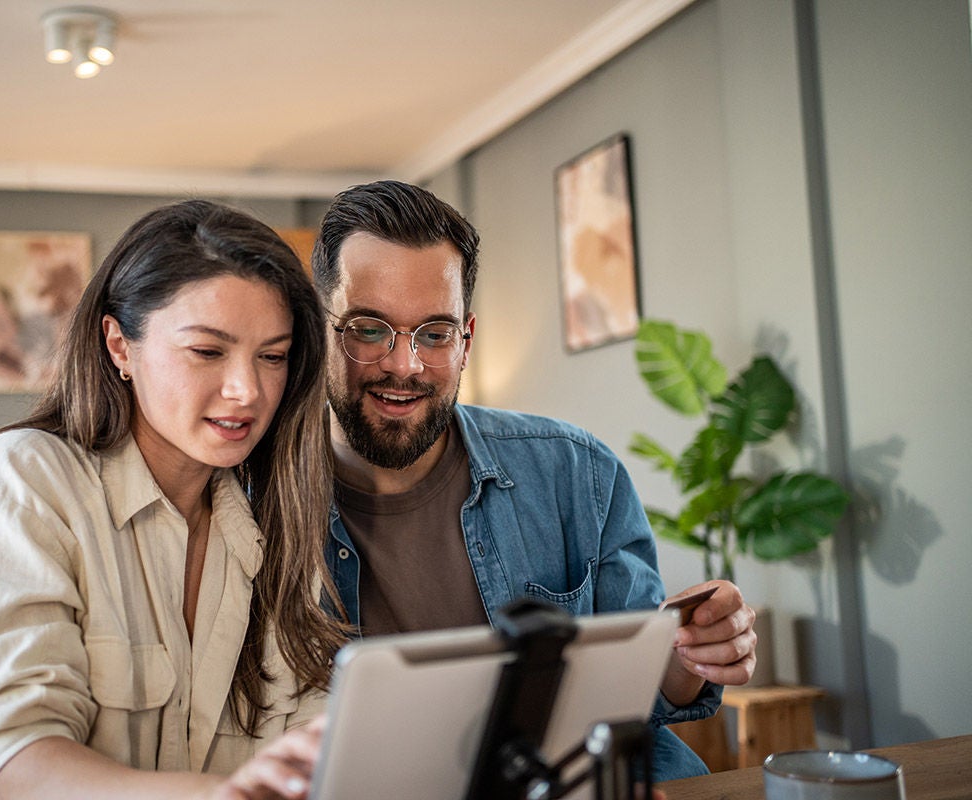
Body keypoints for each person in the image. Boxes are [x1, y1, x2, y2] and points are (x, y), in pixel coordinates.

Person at [0, 200, 347, 799]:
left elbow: (309, 742)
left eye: (273, 357)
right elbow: (19, 767)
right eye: (207, 351)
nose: (247, 390)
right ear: (120, 346)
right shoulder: (22, 481)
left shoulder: (270, 523)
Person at [311, 180, 758, 782]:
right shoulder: (254, 503)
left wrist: (696, 651)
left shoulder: (576, 473)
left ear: (465, 340)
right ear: (321, 329)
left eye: (434, 334)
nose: (404, 364)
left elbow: (648, 698)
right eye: (369, 329)